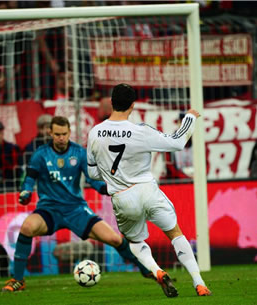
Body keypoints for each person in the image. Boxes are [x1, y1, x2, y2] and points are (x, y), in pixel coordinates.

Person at [86, 84, 211, 298]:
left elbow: (93, 174)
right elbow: (178, 142)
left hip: (122, 197)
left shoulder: (95, 133)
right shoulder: (140, 131)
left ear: (112, 103)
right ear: (133, 105)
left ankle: (157, 271)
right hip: (147, 190)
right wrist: (189, 117)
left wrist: (111, 174)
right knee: (175, 233)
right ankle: (199, 283)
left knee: (135, 241)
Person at [1, 116, 151, 292]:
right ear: (50, 133)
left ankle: (146, 270)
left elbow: (92, 180)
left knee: (114, 239)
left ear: (69, 132)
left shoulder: (79, 153)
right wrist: (25, 192)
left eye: (64, 134)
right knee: (27, 227)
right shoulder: (40, 155)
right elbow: (29, 180)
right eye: (57, 134)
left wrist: (106, 188)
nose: (61, 138)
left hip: (76, 209)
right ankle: (18, 280)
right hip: (49, 210)